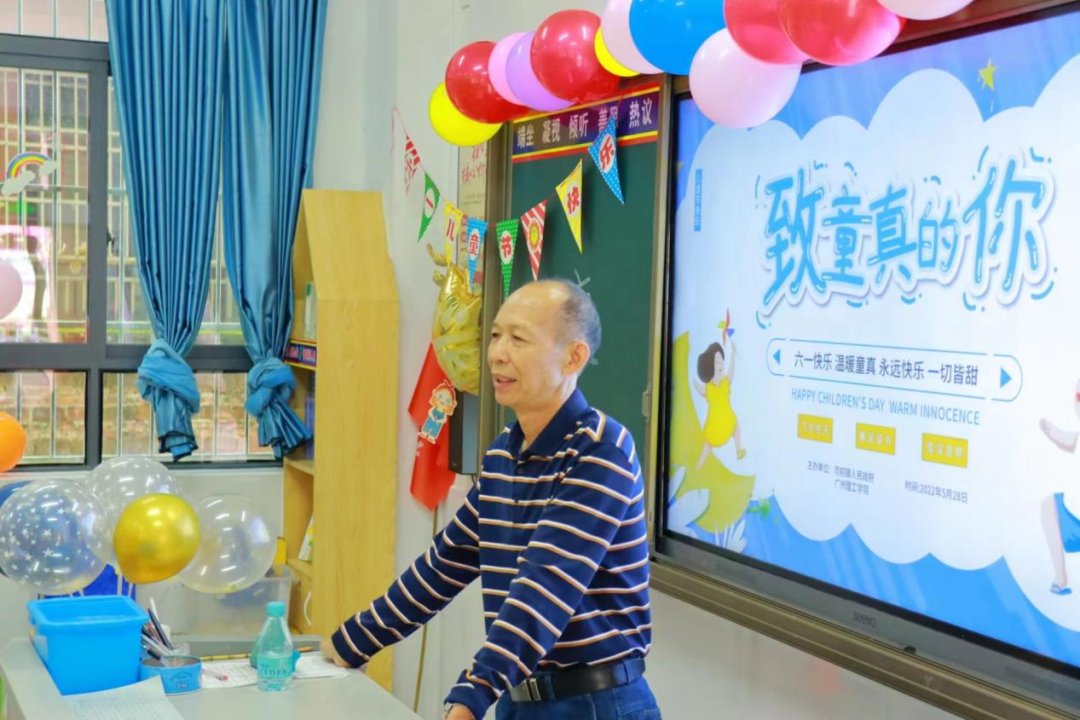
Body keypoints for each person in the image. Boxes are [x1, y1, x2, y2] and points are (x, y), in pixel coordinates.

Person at [322, 280, 658, 720]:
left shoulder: (600, 450)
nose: (497, 353)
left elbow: (542, 590)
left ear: (573, 357)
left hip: (594, 704)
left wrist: (470, 698)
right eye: (496, 335)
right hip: (518, 697)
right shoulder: (503, 453)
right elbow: (445, 563)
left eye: (519, 339)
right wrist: (351, 642)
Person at [1038, 378, 1080, 595]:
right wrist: (1049, 430)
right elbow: (1067, 440)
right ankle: (1060, 577)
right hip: (1074, 516)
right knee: (1048, 505)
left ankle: (1061, 578)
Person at [693, 333, 746, 470]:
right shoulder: (709, 388)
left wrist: (733, 353)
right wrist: (694, 383)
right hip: (716, 425)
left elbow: (731, 370)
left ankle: (739, 450)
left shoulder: (725, 383)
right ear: (710, 366)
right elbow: (700, 388)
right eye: (717, 361)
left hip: (727, 420)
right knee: (707, 447)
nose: (720, 363)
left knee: (736, 429)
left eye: (721, 359)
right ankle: (697, 468)